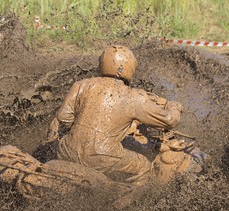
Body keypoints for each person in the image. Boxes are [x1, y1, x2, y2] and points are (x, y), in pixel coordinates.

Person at [46, 45, 183, 186]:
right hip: (101, 157)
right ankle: (126, 204)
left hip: (66, 151)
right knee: (144, 167)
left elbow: (63, 117)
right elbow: (170, 120)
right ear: (130, 68)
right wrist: (174, 106)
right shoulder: (134, 97)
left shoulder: (81, 85)